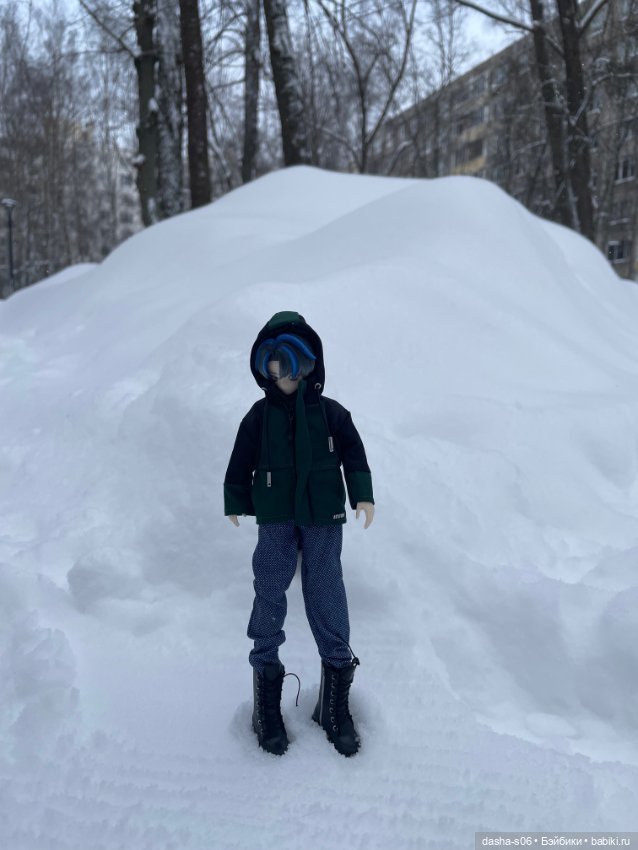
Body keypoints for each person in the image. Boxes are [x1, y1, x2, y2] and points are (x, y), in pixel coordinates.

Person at [223, 310, 375, 757]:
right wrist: (236, 498)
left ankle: (334, 701)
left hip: (322, 514)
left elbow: (355, 454)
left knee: (327, 590)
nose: (280, 379)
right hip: (274, 515)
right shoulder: (259, 416)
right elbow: (240, 457)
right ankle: (265, 698)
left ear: (309, 366)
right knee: (269, 589)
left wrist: (361, 494)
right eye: (271, 370)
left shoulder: (331, 415)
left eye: (288, 369)